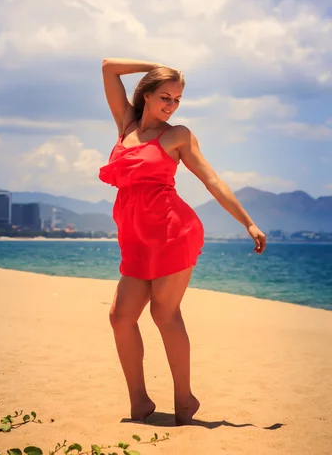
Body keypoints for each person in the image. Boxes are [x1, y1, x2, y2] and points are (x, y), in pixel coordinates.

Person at [98, 57, 267, 426]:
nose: (171, 106)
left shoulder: (177, 136)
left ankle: (183, 399)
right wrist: (156, 64)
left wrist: (248, 223)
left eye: (176, 99)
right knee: (120, 317)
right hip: (135, 237)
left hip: (172, 231)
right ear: (145, 95)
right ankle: (140, 402)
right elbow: (109, 67)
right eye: (165, 96)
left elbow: (212, 181)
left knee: (164, 313)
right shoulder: (125, 125)